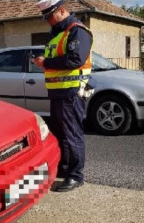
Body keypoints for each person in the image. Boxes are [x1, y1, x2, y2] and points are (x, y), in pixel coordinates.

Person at [32, 0, 93, 192]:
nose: (48, 21)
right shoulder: (59, 32)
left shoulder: (77, 31)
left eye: (50, 16)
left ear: (62, 10)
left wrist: (46, 62)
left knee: (72, 135)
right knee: (61, 135)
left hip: (71, 92)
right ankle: (65, 169)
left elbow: (76, 59)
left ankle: (76, 176)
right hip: (59, 92)